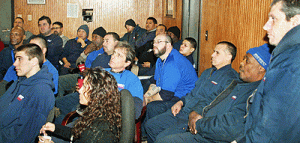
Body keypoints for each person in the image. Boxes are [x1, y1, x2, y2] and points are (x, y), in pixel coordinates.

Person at [155, 44, 271, 143]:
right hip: (200, 122)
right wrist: (195, 111)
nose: (241, 63)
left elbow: (231, 126)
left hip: (211, 135)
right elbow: (211, 100)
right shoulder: (237, 84)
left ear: (261, 68)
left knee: (162, 140)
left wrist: (199, 123)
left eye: (247, 60)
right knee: (159, 133)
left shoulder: (254, 94)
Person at [144, 41, 239, 142]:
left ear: (229, 56)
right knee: (150, 126)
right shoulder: (208, 72)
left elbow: (215, 105)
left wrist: (195, 114)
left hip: (194, 117)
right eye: (213, 51)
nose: (212, 55)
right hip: (183, 110)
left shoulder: (230, 79)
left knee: (161, 138)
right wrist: (181, 102)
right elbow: (193, 92)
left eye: (217, 53)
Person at [244, 0, 300, 142]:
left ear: (295, 21)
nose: (265, 26)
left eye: (273, 18)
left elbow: (271, 128)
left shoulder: (290, 63)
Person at [54, 41, 143, 124]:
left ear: (127, 63)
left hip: (103, 112)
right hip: (85, 99)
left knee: (74, 113)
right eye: (114, 53)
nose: (113, 56)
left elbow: (136, 109)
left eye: (119, 55)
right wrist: (82, 88)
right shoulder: (101, 71)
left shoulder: (132, 79)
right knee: (56, 105)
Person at [39, 68, 121, 142]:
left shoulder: (99, 129)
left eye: (84, 86)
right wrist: (55, 128)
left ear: (97, 93)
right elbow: (78, 135)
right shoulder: (98, 113)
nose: (80, 90)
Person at [0, 43, 55, 143]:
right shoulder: (20, 81)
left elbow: (23, 136)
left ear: (34, 61)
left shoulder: (41, 92)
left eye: (19, 59)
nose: (14, 64)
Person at [143, 34, 198, 120]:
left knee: (152, 107)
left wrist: (147, 101)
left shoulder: (173, 62)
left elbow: (166, 95)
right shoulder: (160, 59)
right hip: (171, 93)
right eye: (154, 42)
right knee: (143, 91)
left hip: (184, 99)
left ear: (168, 45)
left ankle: (148, 131)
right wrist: (146, 96)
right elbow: (155, 82)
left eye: (159, 42)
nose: (154, 44)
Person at [57, 32, 117, 98]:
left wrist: (89, 72)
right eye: (93, 37)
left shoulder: (106, 53)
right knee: (60, 80)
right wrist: (85, 52)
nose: (94, 39)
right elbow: (78, 63)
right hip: (82, 76)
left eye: (96, 37)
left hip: (92, 81)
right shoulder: (91, 50)